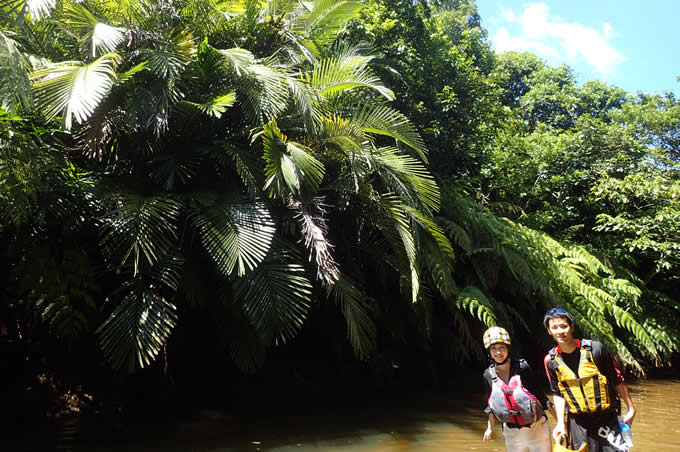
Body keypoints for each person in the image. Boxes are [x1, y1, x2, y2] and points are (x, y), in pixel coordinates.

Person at [543, 307, 637, 452]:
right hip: (578, 422)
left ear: (572, 327)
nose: (560, 331)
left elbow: (616, 379)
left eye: (563, 326)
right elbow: (557, 392)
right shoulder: (551, 361)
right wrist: (561, 423)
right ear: (549, 331)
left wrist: (631, 408)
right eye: (554, 327)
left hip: (607, 417)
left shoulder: (596, 350)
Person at [482, 326, 553, 452]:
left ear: (508, 349)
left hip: (537, 428)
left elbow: (540, 396)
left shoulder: (522, 367)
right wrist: (490, 428)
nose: (498, 352)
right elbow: (491, 406)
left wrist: (561, 423)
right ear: (489, 351)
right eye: (494, 348)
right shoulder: (488, 374)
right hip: (512, 432)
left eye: (502, 348)